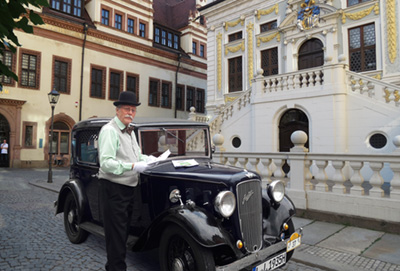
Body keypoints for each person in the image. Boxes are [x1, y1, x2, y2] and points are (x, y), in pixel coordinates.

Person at [98, 91, 150, 271]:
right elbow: (106, 163)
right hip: (114, 189)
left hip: (129, 189)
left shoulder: (130, 131)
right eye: (127, 109)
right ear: (118, 110)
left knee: (123, 233)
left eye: (133, 110)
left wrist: (150, 159)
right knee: (116, 236)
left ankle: (113, 266)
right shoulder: (109, 130)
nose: (131, 113)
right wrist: (133, 166)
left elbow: (135, 155)